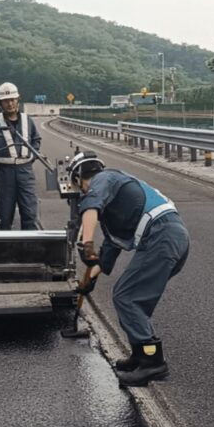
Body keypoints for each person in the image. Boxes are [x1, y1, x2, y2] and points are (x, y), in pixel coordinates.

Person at [68, 150, 189, 387]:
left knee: (127, 297)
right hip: (170, 237)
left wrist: (88, 242)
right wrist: (90, 278)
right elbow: (111, 247)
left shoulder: (104, 179)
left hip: (162, 236)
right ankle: (140, 356)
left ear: (78, 178)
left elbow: (90, 206)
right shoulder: (116, 200)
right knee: (133, 298)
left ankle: (153, 363)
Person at [0, 82, 41, 230]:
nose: (10, 103)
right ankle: (5, 251)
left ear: (18, 100)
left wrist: (32, 156)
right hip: (3, 173)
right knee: (4, 217)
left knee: (30, 215)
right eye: (6, 101)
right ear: (0, 103)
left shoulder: (28, 121)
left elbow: (36, 140)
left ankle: (30, 250)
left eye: (13, 99)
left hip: (25, 172)